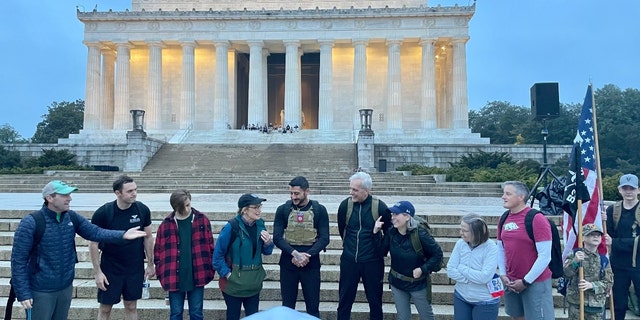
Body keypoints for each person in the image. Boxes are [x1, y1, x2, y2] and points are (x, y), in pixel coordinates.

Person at [10, 180, 147, 320]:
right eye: (64, 195)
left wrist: (122, 234)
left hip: (64, 287)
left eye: (69, 194)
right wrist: (23, 293)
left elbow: (95, 232)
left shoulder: (71, 217)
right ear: (49, 198)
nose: (70, 198)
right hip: (41, 289)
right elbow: (18, 261)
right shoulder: (31, 222)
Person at [89, 175, 154, 320]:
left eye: (135, 190)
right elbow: (93, 244)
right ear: (118, 193)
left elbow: (148, 237)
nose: (134, 193)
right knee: (105, 308)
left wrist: (150, 264)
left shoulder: (142, 209)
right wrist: (97, 272)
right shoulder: (104, 212)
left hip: (134, 266)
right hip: (110, 267)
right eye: (130, 191)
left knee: (131, 305)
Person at [336, 171, 391, 320]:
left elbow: (388, 235)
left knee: (375, 302)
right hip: (349, 260)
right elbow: (343, 229)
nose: (350, 192)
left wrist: (379, 251)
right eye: (350, 188)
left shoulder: (379, 207)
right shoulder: (345, 206)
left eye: (355, 190)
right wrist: (349, 248)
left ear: (367, 190)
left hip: (372, 262)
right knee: (344, 301)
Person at [496, 180, 554, 320]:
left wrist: (526, 281)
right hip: (511, 280)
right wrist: (503, 274)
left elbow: (545, 256)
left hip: (535, 282)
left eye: (508, 194)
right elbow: (501, 248)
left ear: (521, 197)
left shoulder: (536, 219)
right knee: (517, 316)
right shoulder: (503, 218)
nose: (503, 197)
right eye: (504, 193)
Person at [273, 176, 330, 318]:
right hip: (288, 262)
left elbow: (324, 238)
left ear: (307, 191)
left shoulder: (319, 210)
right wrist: (294, 253)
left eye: (297, 193)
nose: (293, 197)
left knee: (313, 306)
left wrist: (306, 255)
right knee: (287, 306)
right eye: (291, 193)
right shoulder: (283, 210)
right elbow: (277, 237)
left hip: (311, 262)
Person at [154, 189, 215, 320]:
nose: (188, 209)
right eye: (185, 206)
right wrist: (160, 272)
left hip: (197, 274)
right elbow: (158, 251)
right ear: (176, 207)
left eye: (189, 204)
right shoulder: (165, 225)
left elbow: (210, 246)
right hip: (173, 276)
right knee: (175, 314)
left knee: (197, 313)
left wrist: (210, 267)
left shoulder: (202, 220)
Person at [375, 201, 443, 320]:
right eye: (392, 214)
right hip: (397, 283)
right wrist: (376, 232)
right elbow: (380, 251)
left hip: (418, 285)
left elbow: (437, 254)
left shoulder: (420, 234)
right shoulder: (391, 232)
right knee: (403, 317)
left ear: (407, 217)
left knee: (427, 317)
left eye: (396, 214)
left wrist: (423, 269)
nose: (393, 217)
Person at [212, 193, 275, 320]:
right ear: (244, 210)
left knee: (253, 317)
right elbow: (217, 257)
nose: (259, 210)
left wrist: (269, 243)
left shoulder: (260, 224)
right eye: (255, 207)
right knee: (233, 316)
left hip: (253, 283)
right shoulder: (231, 227)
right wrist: (229, 274)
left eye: (260, 206)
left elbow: (266, 252)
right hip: (233, 285)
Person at [447, 213, 500, 320]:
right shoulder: (460, 244)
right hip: (461, 296)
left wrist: (462, 268)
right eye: (461, 229)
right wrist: (471, 279)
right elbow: (450, 270)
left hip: (485, 301)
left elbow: (485, 277)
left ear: (477, 232)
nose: (461, 233)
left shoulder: (491, 248)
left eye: (465, 231)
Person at [606, 173, 640, 320]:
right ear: (619, 190)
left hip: (638, 264)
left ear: (638, 190)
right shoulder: (612, 210)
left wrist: (616, 243)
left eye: (632, 188)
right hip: (618, 265)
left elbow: (612, 240)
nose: (628, 191)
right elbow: (608, 237)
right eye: (625, 188)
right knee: (618, 305)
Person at [563, 224, 613, 320]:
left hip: (595, 306)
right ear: (583, 238)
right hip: (577, 304)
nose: (595, 237)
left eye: (598, 235)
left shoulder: (603, 259)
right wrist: (575, 262)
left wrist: (592, 285)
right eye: (591, 234)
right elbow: (565, 274)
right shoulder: (575, 254)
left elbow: (609, 282)